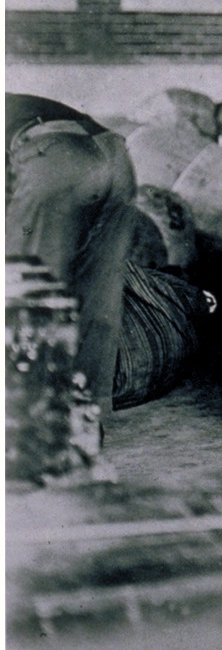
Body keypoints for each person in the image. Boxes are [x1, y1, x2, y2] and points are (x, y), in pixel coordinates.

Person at [6, 93, 137, 416]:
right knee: (99, 299)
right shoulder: (14, 101)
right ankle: (87, 421)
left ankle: (30, 423)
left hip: (56, 158)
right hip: (117, 160)